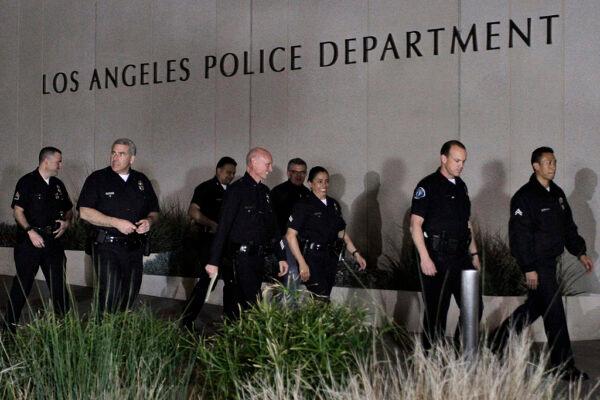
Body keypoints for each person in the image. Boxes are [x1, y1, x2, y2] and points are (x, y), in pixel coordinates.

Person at [490, 146, 594, 381]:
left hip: (551, 262)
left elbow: (568, 227)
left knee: (535, 307)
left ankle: (497, 340)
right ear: (536, 166)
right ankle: (564, 367)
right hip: (537, 264)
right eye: (548, 162)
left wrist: (580, 252)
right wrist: (528, 267)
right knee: (554, 312)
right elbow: (519, 236)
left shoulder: (557, 194)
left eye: (555, 162)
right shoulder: (524, 197)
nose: (553, 166)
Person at [410, 140, 481, 350]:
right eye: (457, 160)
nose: (461, 165)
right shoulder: (427, 185)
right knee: (436, 313)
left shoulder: (462, 186)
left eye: (464, 161)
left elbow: (467, 223)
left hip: (461, 256)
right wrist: (425, 258)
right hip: (436, 256)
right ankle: (431, 359)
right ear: (444, 158)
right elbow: (415, 225)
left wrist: (474, 253)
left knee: (473, 306)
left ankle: (463, 352)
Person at [78, 138, 159, 315]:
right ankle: (101, 334)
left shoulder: (141, 181)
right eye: (113, 153)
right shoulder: (97, 178)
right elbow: (84, 212)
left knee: (130, 295)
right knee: (108, 295)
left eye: (121, 154)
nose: (115, 157)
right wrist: (116, 223)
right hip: (107, 246)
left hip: (134, 248)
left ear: (132, 158)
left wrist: (149, 222)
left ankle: (121, 333)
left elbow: (154, 211)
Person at [205, 147, 288, 319]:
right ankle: (231, 341)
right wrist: (213, 261)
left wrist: (281, 256)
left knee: (252, 303)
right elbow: (223, 228)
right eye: (268, 164)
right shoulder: (236, 191)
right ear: (253, 163)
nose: (270, 169)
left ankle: (244, 340)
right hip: (238, 259)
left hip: (257, 259)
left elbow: (273, 227)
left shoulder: (265, 192)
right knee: (237, 305)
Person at [2, 147, 73, 332]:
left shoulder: (58, 184)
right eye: (58, 161)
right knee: (23, 284)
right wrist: (30, 232)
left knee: (58, 285)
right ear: (46, 161)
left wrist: (66, 223)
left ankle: (64, 327)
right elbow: (18, 211)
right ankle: (8, 327)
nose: (60, 165)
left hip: (53, 242)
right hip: (29, 242)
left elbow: (68, 209)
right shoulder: (27, 182)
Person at [285, 166, 366, 299]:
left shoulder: (333, 204)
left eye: (326, 181)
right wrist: (302, 263)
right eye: (319, 181)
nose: (324, 185)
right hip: (312, 258)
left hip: (329, 258)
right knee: (320, 298)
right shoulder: (304, 204)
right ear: (310, 183)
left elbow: (341, 233)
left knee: (324, 296)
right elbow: (290, 235)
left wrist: (356, 253)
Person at [180, 156, 237, 329]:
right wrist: (212, 224)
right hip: (209, 241)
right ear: (218, 170)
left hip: (228, 244)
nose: (231, 176)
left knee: (231, 281)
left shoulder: (233, 191)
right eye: (228, 172)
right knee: (207, 282)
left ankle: (229, 320)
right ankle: (187, 320)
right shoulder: (205, 188)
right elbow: (193, 211)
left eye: (233, 173)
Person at [271, 158, 310, 289]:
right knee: (291, 272)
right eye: (295, 172)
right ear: (288, 173)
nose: (299, 175)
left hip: (304, 241)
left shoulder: (308, 194)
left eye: (302, 172)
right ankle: (287, 308)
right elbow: (272, 221)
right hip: (284, 239)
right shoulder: (278, 192)